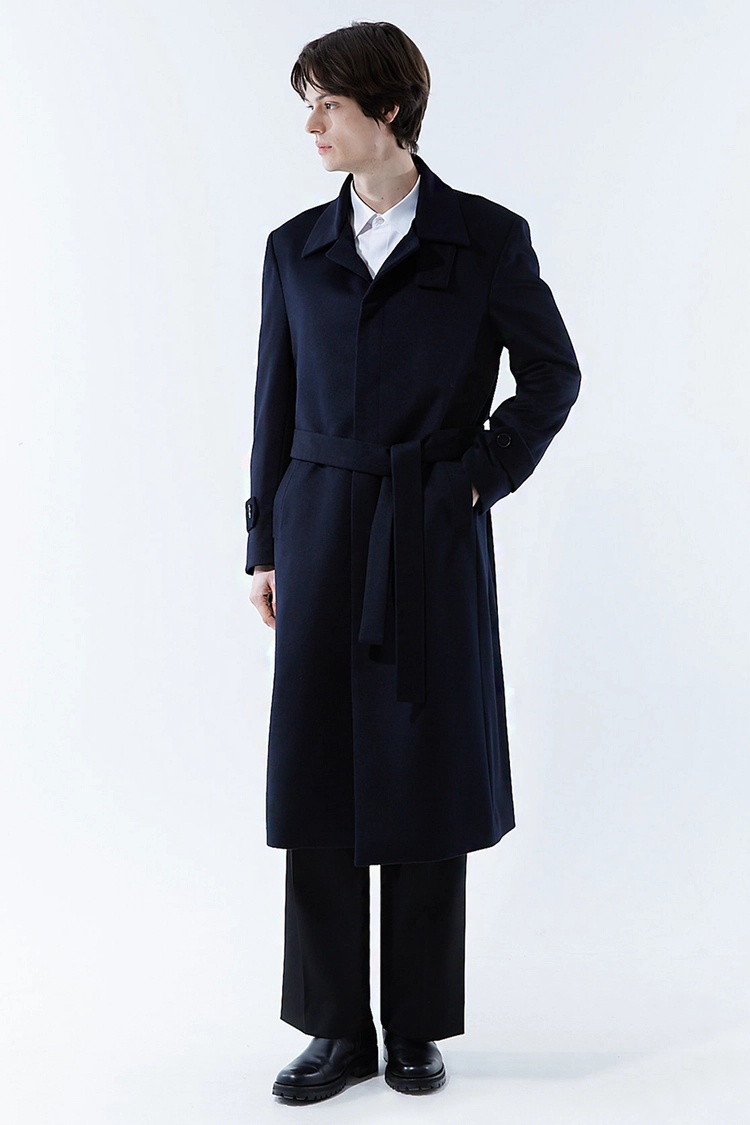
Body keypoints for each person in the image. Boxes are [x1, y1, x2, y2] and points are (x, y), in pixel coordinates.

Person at [245, 20, 582, 1102]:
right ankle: (334, 1028)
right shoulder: (292, 247)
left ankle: (417, 1026)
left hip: (430, 530)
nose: (311, 125)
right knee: (320, 775)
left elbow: (552, 374)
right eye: (308, 105)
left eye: (328, 105)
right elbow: (273, 402)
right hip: (317, 528)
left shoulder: (485, 238)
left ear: (387, 109)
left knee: (426, 771)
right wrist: (263, 541)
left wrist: (476, 478)